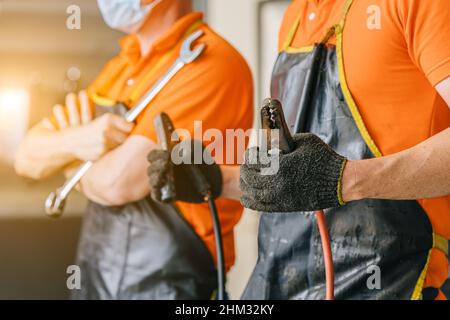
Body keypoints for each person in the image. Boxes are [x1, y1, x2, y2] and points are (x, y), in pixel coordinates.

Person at [150, 0, 450, 300]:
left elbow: (326, 177)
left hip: (399, 281)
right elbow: (298, 176)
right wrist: (215, 179)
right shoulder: (295, 17)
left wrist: (347, 179)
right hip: (283, 281)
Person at [14, 0, 253, 299]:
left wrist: (65, 160)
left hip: (172, 288)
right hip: (96, 283)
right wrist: (78, 141)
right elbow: (25, 157)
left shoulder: (210, 62)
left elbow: (117, 183)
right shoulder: (121, 66)